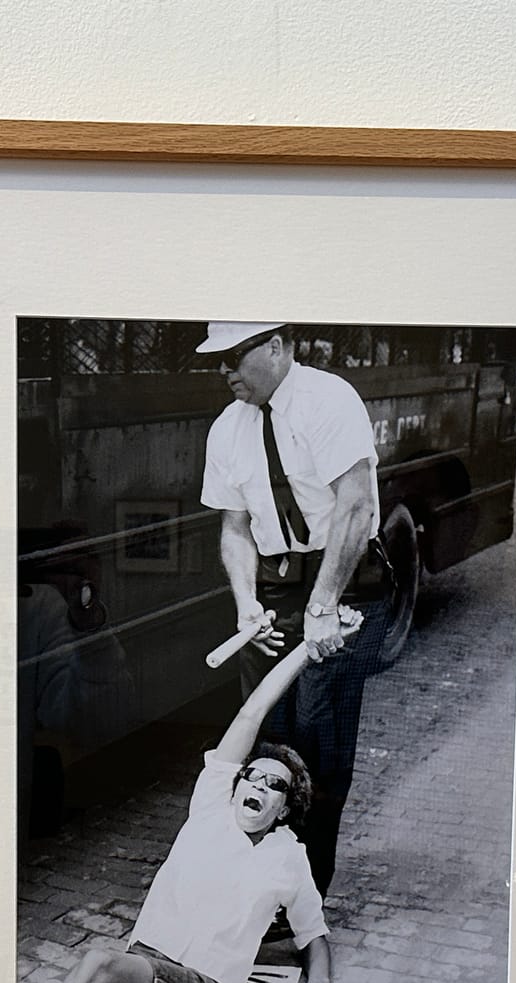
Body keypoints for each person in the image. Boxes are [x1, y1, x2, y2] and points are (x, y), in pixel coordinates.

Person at [17, 629, 361, 983]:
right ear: (236, 786)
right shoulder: (209, 813)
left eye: (275, 783)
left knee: (99, 965)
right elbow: (250, 715)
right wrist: (304, 650)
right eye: (251, 775)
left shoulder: (288, 858)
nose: (258, 784)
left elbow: (312, 932)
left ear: (286, 808)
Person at [195, 321, 393, 894]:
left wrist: (325, 604)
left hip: (346, 583)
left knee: (318, 737)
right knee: (264, 739)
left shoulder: (327, 400)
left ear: (278, 346)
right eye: (218, 360)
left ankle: (305, 895)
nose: (225, 371)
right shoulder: (227, 429)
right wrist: (245, 605)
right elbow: (234, 528)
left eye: (235, 355)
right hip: (277, 591)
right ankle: (259, 884)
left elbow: (356, 506)